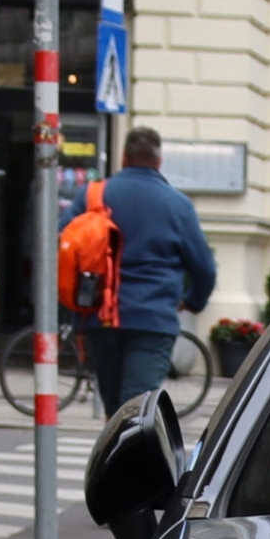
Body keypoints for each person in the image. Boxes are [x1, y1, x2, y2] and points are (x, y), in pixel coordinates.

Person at [86, 126, 217, 412]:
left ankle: (117, 455)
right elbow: (204, 267)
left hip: (102, 318)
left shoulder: (95, 196)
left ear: (123, 157)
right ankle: (126, 456)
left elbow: (63, 241)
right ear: (159, 161)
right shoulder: (178, 205)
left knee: (114, 407)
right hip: (152, 319)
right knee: (135, 409)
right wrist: (193, 301)